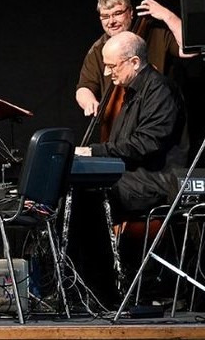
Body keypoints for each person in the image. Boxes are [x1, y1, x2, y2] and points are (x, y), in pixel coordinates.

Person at [75, 31, 187, 222]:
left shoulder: (160, 90)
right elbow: (122, 144)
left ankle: (97, 252)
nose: (107, 73)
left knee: (89, 198)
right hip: (133, 175)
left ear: (134, 62)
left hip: (155, 179)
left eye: (112, 66)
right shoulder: (132, 92)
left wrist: (93, 152)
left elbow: (145, 144)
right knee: (76, 189)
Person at [76, 0, 195, 119]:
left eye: (117, 13)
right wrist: (89, 102)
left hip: (159, 115)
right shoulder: (98, 49)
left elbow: (191, 49)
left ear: (131, 12)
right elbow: (84, 87)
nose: (111, 21)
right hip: (120, 124)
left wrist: (167, 15)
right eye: (105, 16)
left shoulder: (156, 33)